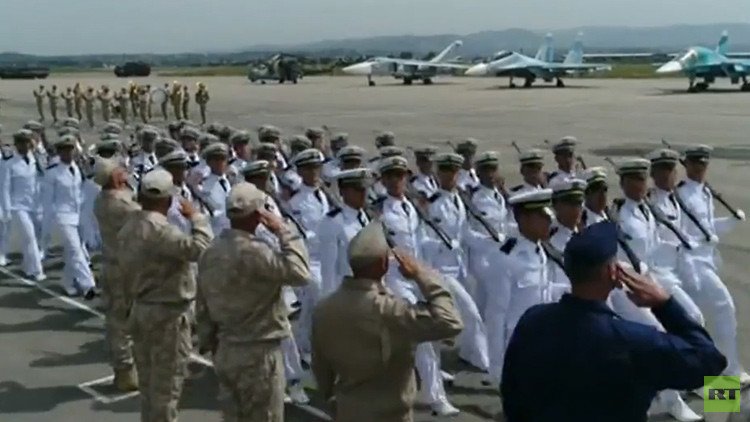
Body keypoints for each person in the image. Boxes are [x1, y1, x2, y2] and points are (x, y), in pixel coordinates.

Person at [501, 221, 727, 422]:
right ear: (613, 270)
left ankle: (722, 394)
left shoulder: (533, 320)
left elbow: (511, 394)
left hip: (621, 313)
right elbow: (710, 361)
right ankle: (715, 403)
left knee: (717, 318)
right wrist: (664, 304)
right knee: (701, 334)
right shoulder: (631, 341)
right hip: (635, 316)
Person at [312, 221, 463, 422]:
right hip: (390, 413)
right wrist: (421, 274)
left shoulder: (324, 308)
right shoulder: (390, 311)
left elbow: (321, 369)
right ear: (384, 265)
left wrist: (333, 401)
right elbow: (450, 321)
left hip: (349, 410)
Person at [196, 182, 310, 422]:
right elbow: (300, 273)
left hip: (226, 348)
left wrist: (209, 340)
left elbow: (203, 303)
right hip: (259, 352)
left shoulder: (211, 252)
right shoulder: (258, 252)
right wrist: (284, 231)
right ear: (259, 215)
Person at [118, 169, 213, 422]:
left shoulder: (130, 225)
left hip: (141, 308)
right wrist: (197, 219)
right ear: (168, 200)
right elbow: (200, 249)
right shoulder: (161, 230)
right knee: (166, 389)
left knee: (149, 388)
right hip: (167, 315)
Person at [675, 144, 749, 384]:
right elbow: (681, 234)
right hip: (692, 265)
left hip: (706, 260)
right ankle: (727, 373)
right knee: (722, 308)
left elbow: (705, 229)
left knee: (697, 320)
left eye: (705, 164)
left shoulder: (704, 191)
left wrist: (729, 222)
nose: (701, 168)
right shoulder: (682, 196)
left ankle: (703, 378)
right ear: (688, 165)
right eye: (697, 164)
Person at [92, 158, 140, 392]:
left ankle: (123, 368)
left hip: (112, 264)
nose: (126, 172)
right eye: (121, 171)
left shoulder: (101, 199)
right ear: (113, 177)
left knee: (116, 319)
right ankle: (126, 371)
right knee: (124, 321)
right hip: (126, 268)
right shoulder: (123, 204)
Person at [41, 135, 97, 298]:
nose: (68, 153)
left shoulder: (77, 169)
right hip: (62, 216)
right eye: (64, 150)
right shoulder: (52, 173)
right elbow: (47, 201)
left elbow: (81, 193)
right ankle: (88, 285)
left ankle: (67, 281)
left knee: (74, 251)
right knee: (75, 249)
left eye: (70, 149)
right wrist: (48, 225)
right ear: (58, 152)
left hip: (78, 215)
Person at [318, 168, 372, 297]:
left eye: (365, 189)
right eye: (358, 189)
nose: (363, 194)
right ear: (343, 191)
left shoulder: (367, 218)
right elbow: (328, 268)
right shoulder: (333, 222)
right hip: (347, 293)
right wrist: (329, 302)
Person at [1, 130, 45, 280]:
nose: (25, 145)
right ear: (16, 144)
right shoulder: (10, 163)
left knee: (34, 237)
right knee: (29, 236)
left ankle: (28, 266)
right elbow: (5, 188)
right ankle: (37, 271)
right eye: (21, 142)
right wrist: (6, 210)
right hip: (17, 206)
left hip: (35, 204)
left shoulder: (36, 159)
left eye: (28, 142)